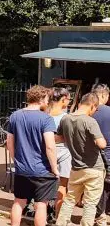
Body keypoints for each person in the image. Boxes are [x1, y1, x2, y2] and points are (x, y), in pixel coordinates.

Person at [7, 85, 59, 226]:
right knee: (41, 205)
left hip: (22, 168)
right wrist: (55, 168)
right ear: (42, 99)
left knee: (18, 202)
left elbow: (9, 143)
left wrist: (17, 160)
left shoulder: (15, 116)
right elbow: (50, 146)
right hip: (42, 169)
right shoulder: (46, 119)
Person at [54, 92, 107, 226]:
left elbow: (59, 138)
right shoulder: (90, 122)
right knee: (90, 204)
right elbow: (102, 144)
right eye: (95, 109)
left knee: (70, 200)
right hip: (94, 168)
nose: (95, 112)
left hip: (76, 167)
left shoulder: (66, 118)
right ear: (92, 105)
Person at [48, 87, 72, 216]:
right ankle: (58, 216)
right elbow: (66, 137)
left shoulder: (45, 114)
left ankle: (43, 212)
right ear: (63, 99)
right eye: (68, 99)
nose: (69, 101)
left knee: (44, 184)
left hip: (46, 151)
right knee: (63, 186)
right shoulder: (66, 117)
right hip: (63, 152)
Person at [92, 84, 110, 226]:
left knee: (99, 188)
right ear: (103, 95)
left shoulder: (89, 112)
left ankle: (100, 217)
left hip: (93, 155)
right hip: (109, 153)